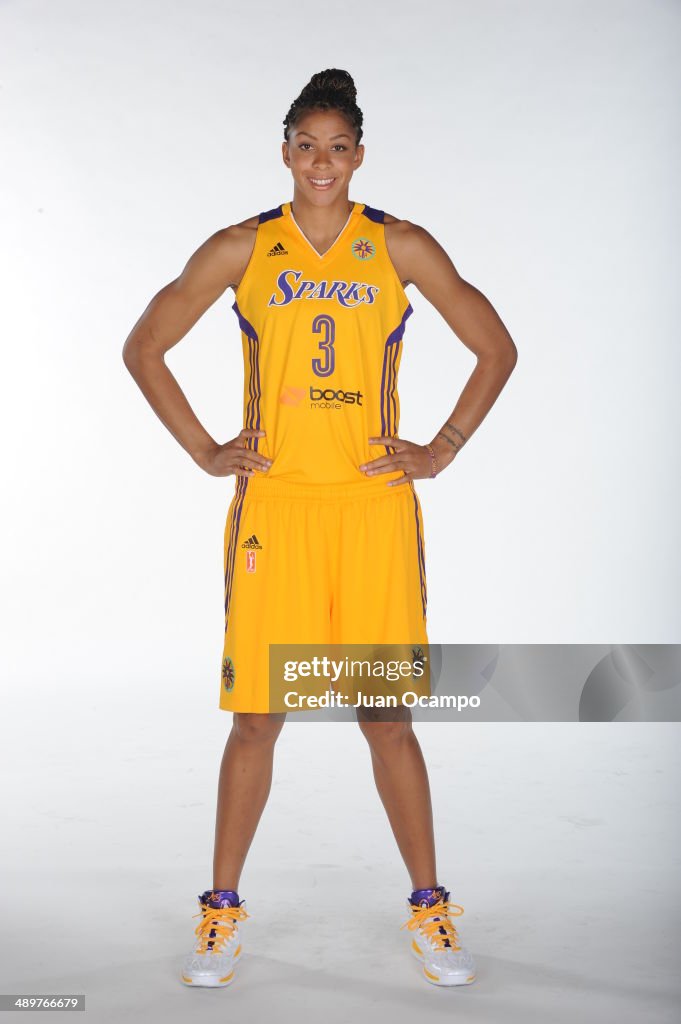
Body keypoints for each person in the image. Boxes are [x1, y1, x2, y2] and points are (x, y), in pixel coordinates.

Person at [122, 68, 517, 990]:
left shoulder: (400, 245)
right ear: (286, 150)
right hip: (277, 508)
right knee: (259, 714)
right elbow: (145, 344)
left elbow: (495, 346)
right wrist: (202, 448)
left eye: (339, 146)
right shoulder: (242, 248)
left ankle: (430, 909)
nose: (322, 161)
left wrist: (444, 445)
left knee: (385, 713)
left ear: (360, 154)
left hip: (373, 509)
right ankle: (220, 915)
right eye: (307, 144)